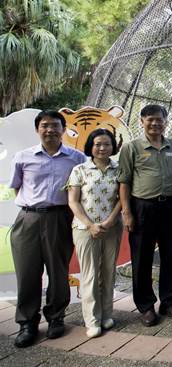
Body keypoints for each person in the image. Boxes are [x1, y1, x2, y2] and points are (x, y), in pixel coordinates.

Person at [8, 110, 86, 348]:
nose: (50, 129)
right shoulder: (23, 157)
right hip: (28, 220)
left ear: (63, 129)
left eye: (55, 125)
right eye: (44, 125)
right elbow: (16, 188)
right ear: (37, 129)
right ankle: (27, 323)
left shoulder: (77, 158)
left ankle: (56, 317)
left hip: (59, 218)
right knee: (27, 273)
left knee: (58, 270)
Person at [118, 104, 172, 327]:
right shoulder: (132, 148)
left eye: (160, 120)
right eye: (151, 120)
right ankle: (146, 306)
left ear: (166, 122)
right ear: (142, 121)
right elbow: (124, 182)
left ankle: (169, 301)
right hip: (143, 207)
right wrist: (127, 212)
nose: (155, 123)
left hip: (171, 207)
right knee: (142, 258)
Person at [67, 129, 123, 338]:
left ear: (112, 146)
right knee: (90, 273)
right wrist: (90, 224)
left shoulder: (119, 169)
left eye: (106, 144)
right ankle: (92, 319)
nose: (102, 148)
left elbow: (122, 198)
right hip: (84, 229)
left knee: (109, 271)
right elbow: (73, 201)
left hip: (112, 227)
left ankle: (107, 313)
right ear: (90, 145)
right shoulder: (79, 169)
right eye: (97, 144)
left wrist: (109, 221)